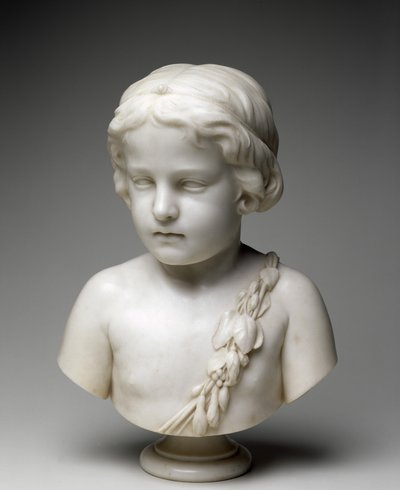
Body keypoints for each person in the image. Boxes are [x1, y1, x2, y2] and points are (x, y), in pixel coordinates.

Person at [58, 64, 337, 437]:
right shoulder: (103, 299)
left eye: (190, 183)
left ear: (247, 186)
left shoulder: (292, 300)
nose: (162, 209)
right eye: (143, 181)